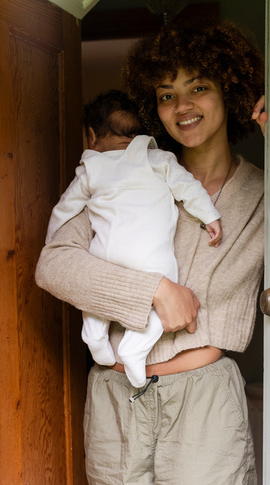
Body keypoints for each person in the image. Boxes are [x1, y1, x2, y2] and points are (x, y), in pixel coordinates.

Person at [36, 18, 265, 485]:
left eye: (198, 87)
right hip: (114, 399)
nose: (182, 106)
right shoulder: (123, 169)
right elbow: (55, 262)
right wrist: (151, 291)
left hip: (201, 400)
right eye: (166, 94)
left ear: (230, 92)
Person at [46, 90, 222, 389]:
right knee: (167, 294)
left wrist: (52, 238)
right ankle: (134, 348)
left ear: (91, 136)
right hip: (151, 259)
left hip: (105, 254)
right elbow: (187, 188)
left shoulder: (90, 169)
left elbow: (65, 208)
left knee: (98, 289)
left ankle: (94, 332)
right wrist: (210, 216)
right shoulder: (157, 160)